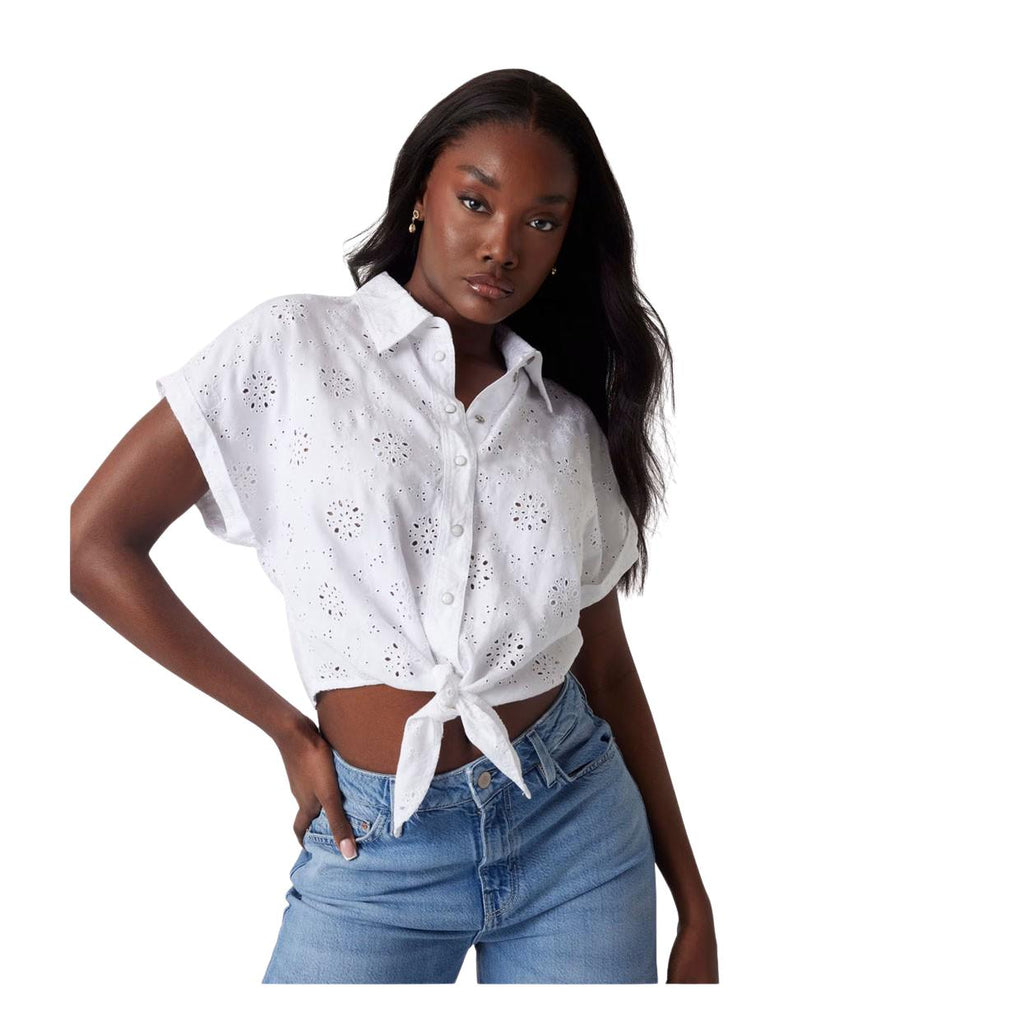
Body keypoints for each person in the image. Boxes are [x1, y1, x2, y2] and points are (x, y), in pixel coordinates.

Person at [70, 67, 718, 984]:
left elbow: (605, 667)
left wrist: (693, 899)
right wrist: (286, 730)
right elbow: (92, 544)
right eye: (475, 201)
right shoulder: (291, 347)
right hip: (373, 844)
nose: (501, 246)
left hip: (577, 829)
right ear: (421, 194)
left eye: (541, 222)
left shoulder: (565, 425)